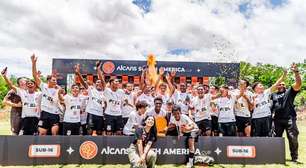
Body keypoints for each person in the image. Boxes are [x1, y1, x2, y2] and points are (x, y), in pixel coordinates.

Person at [271, 63, 302, 162]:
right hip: (277, 119)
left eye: (283, 84)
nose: (281, 85)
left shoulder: (289, 92)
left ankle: (294, 158)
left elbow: (298, 84)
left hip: (289, 118)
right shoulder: (273, 94)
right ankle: (276, 157)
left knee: (293, 138)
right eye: (279, 84)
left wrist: (296, 72)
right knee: (276, 138)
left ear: (286, 86)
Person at [1, 68, 41, 135]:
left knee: (30, 134)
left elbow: (38, 86)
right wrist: (17, 105)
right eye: (21, 83)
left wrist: (37, 76)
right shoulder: (15, 91)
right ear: (19, 84)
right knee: (16, 133)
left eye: (25, 82)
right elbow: (4, 101)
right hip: (17, 115)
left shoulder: (33, 92)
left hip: (30, 117)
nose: (24, 83)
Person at [251, 69, 287, 137]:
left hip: (267, 117)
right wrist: (253, 100)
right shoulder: (251, 96)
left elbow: (276, 84)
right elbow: (251, 108)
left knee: (267, 135)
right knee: (256, 136)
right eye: (260, 85)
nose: (262, 86)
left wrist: (284, 75)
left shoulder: (266, 92)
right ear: (255, 88)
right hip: (256, 118)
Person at [31, 54, 60, 136]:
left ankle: (55, 148)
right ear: (48, 81)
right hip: (45, 113)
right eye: (53, 80)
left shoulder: (58, 89)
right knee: (42, 133)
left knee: (54, 133)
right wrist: (33, 63)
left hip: (54, 114)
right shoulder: (43, 86)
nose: (55, 82)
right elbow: (34, 75)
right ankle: (40, 148)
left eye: (56, 80)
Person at [75, 62, 106, 136]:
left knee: (99, 133)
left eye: (100, 82)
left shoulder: (105, 92)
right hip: (91, 113)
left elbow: (102, 80)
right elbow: (83, 83)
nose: (99, 83)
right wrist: (78, 73)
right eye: (97, 82)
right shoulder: (91, 89)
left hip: (100, 115)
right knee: (89, 131)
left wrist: (98, 70)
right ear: (95, 84)